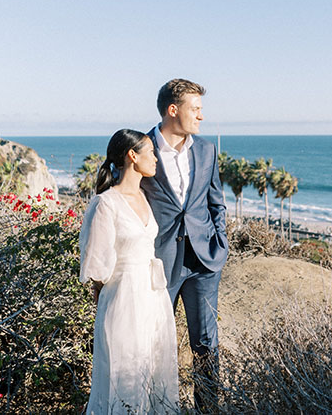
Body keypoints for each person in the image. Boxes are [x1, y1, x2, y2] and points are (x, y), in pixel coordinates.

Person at [142, 79, 228, 412]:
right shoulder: (141, 146)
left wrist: (220, 242)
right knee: (154, 343)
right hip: (160, 262)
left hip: (205, 261)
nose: (201, 116)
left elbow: (216, 200)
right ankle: (155, 406)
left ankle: (208, 410)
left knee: (206, 344)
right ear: (172, 110)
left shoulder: (206, 149)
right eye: (196, 109)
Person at [79, 129, 180, 415]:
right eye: (151, 152)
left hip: (154, 298)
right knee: (124, 378)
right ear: (132, 156)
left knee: (154, 373)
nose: (157, 159)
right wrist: (109, 301)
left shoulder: (145, 197)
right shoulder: (106, 203)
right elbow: (97, 266)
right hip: (123, 298)